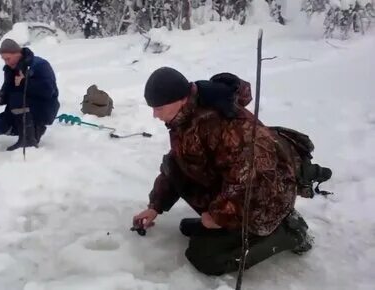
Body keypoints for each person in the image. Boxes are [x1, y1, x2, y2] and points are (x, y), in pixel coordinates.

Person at [132, 67, 320, 275]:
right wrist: (155, 206)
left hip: (265, 197)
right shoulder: (184, 117)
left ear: (181, 98)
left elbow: (247, 180)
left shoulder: (222, 122)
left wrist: (218, 216)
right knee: (174, 166)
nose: (154, 115)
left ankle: (288, 232)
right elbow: (178, 163)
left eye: (158, 108)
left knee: (204, 257)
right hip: (236, 186)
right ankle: (227, 231)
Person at [0, 39, 60, 151]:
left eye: (8, 58)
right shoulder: (10, 70)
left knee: (17, 98)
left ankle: (28, 138)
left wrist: (24, 82)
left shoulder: (39, 65)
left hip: (44, 108)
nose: (6, 62)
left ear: (18, 53)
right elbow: (7, 90)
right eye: (4, 59)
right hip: (20, 109)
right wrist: (0, 98)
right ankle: (35, 130)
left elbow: (48, 91)